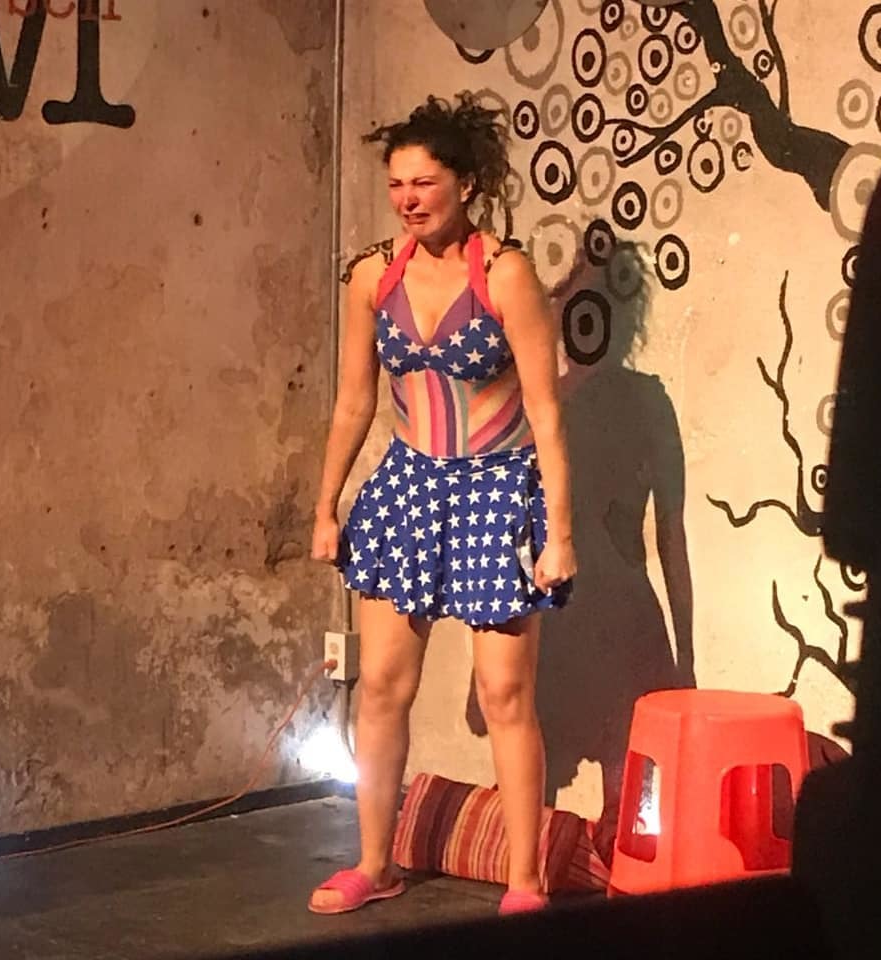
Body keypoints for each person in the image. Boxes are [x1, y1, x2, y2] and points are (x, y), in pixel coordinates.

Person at [309, 93, 576, 918]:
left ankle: (525, 880)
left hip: (497, 487)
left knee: (504, 693)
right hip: (409, 485)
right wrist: (325, 507)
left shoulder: (506, 274)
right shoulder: (372, 276)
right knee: (383, 686)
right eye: (397, 184)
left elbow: (545, 412)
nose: (408, 198)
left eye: (424, 182)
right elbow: (354, 402)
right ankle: (375, 862)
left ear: (467, 184)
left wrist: (559, 534)